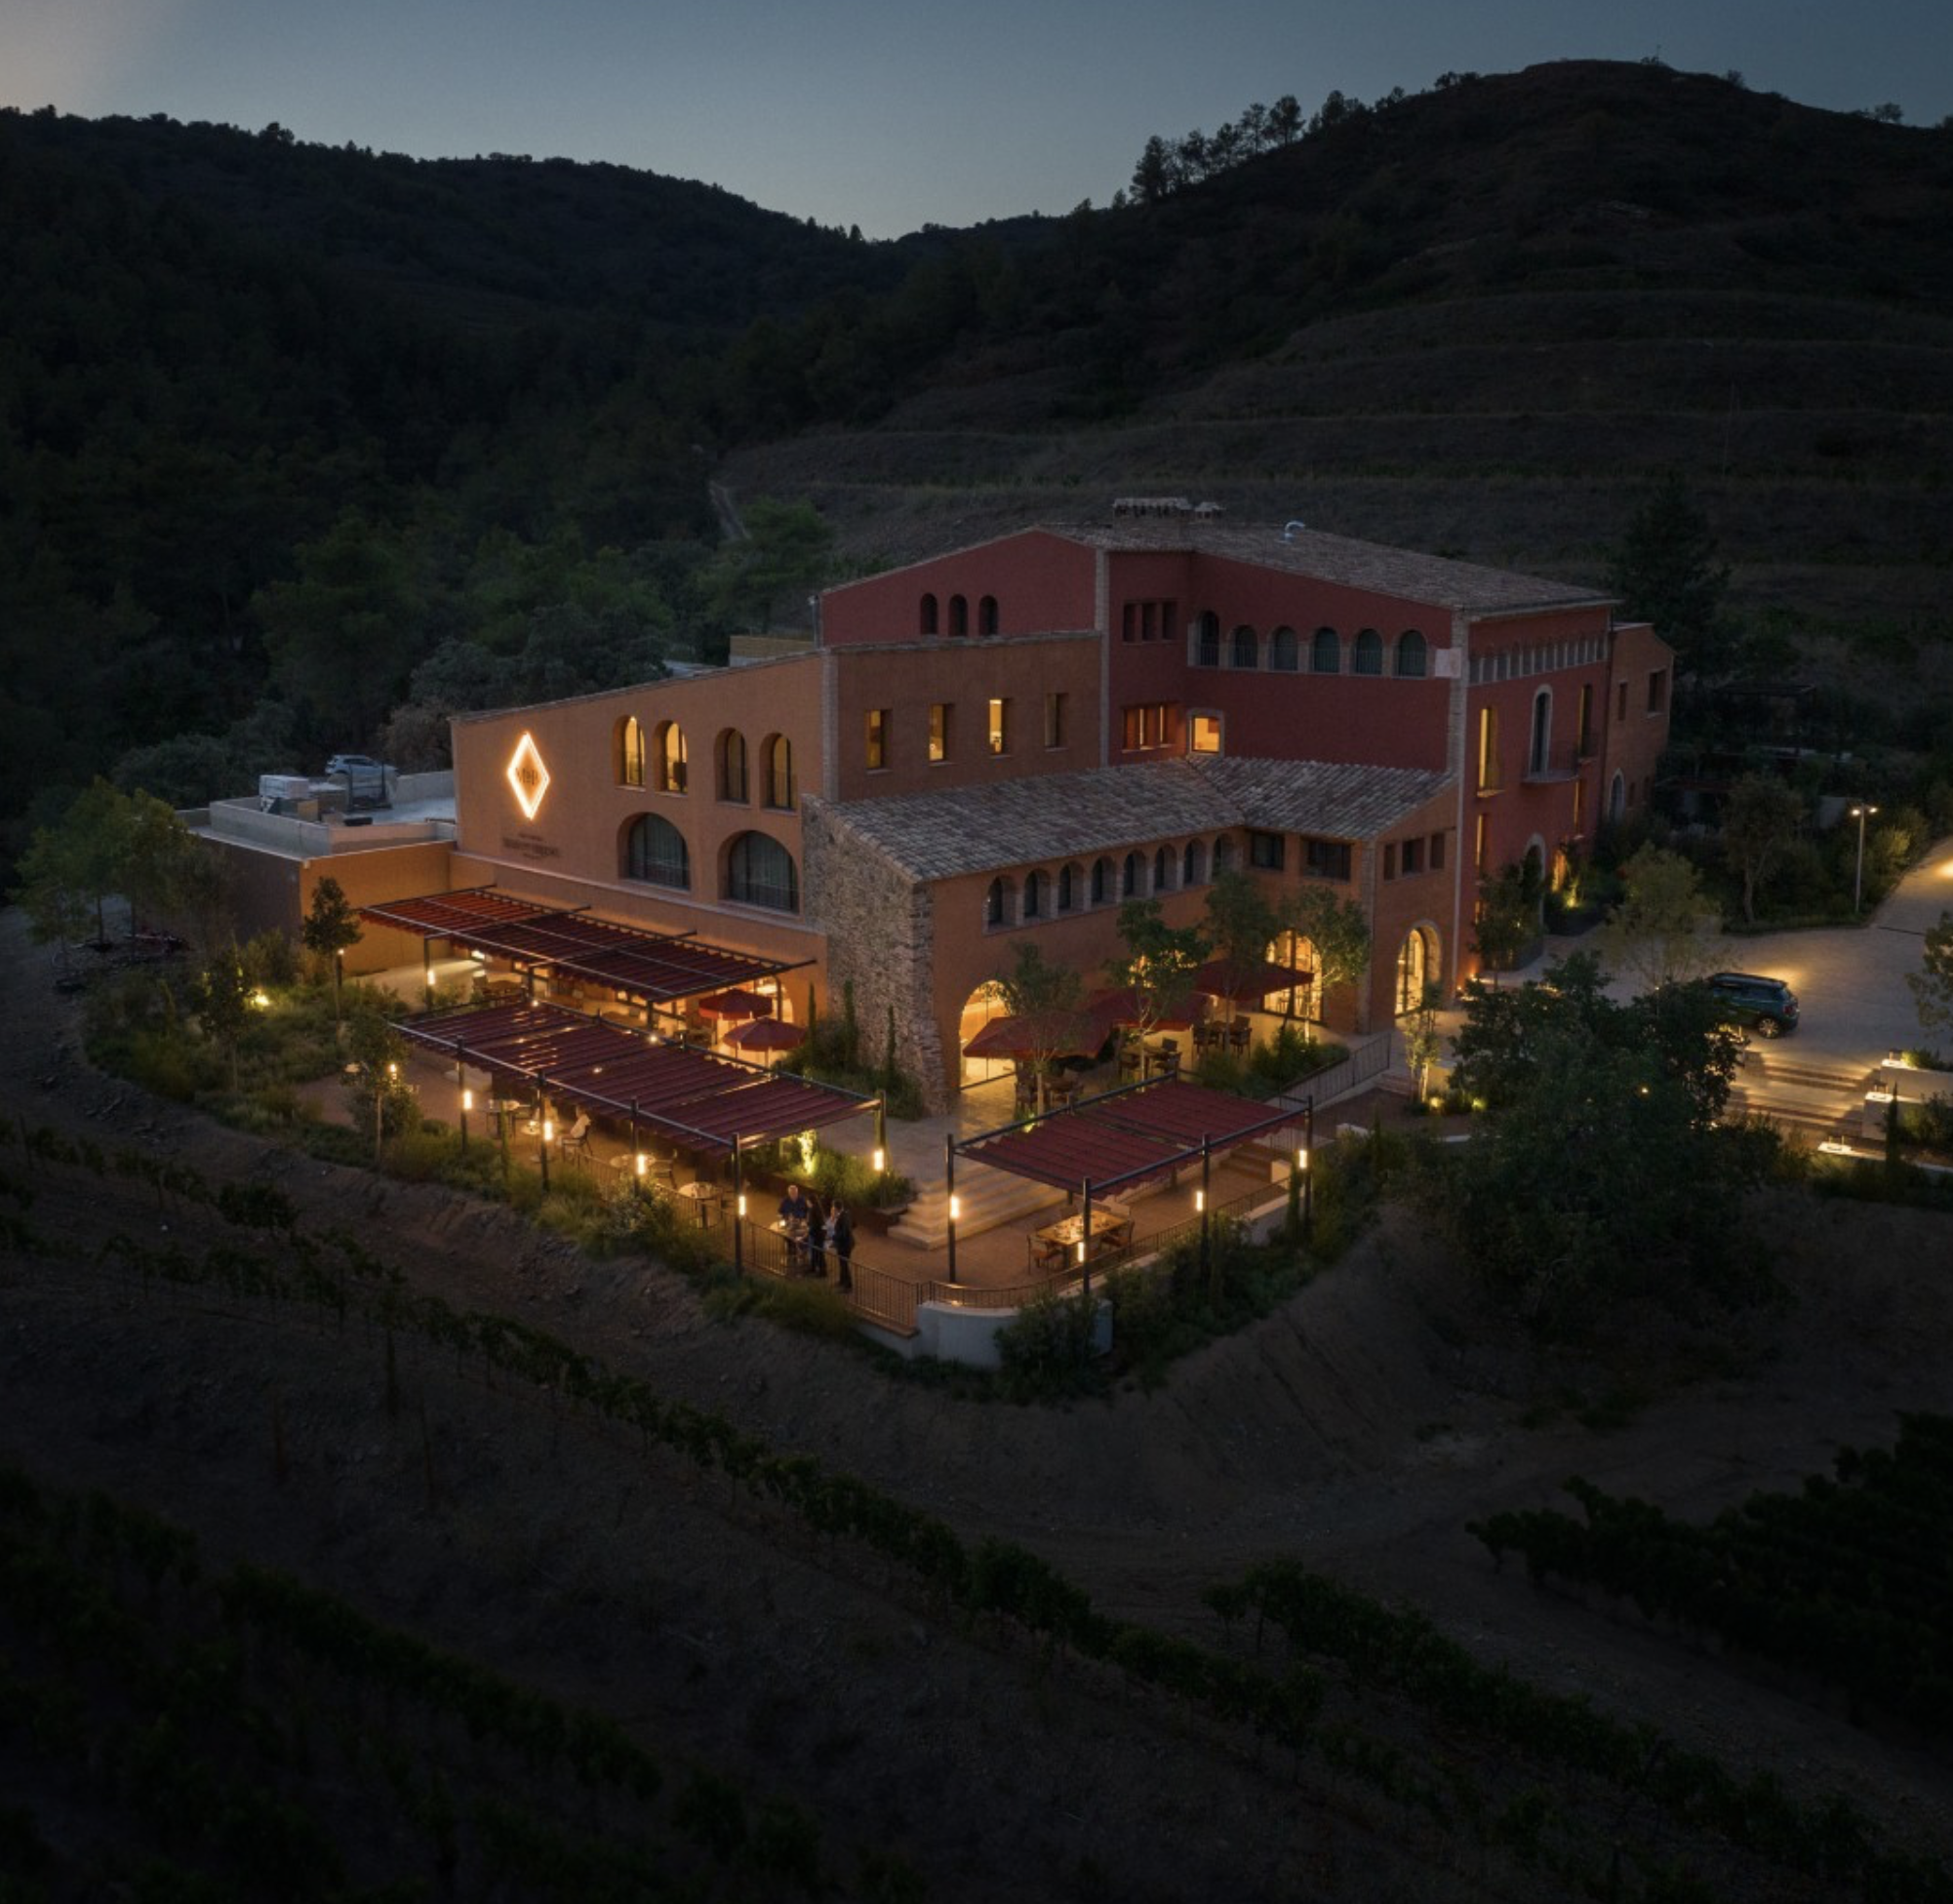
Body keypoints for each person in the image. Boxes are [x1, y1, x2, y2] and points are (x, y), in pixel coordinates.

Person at [828, 1201, 855, 1292]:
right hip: (846, 1244)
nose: (832, 1210)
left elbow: (842, 1234)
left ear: (836, 1208)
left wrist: (833, 1237)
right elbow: (854, 1225)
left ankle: (848, 1285)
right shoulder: (845, 1214)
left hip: (845, 1245)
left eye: (833, 1208)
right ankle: (842, 1281)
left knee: (844, 1264)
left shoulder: (842, 1217)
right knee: (842, 1264)